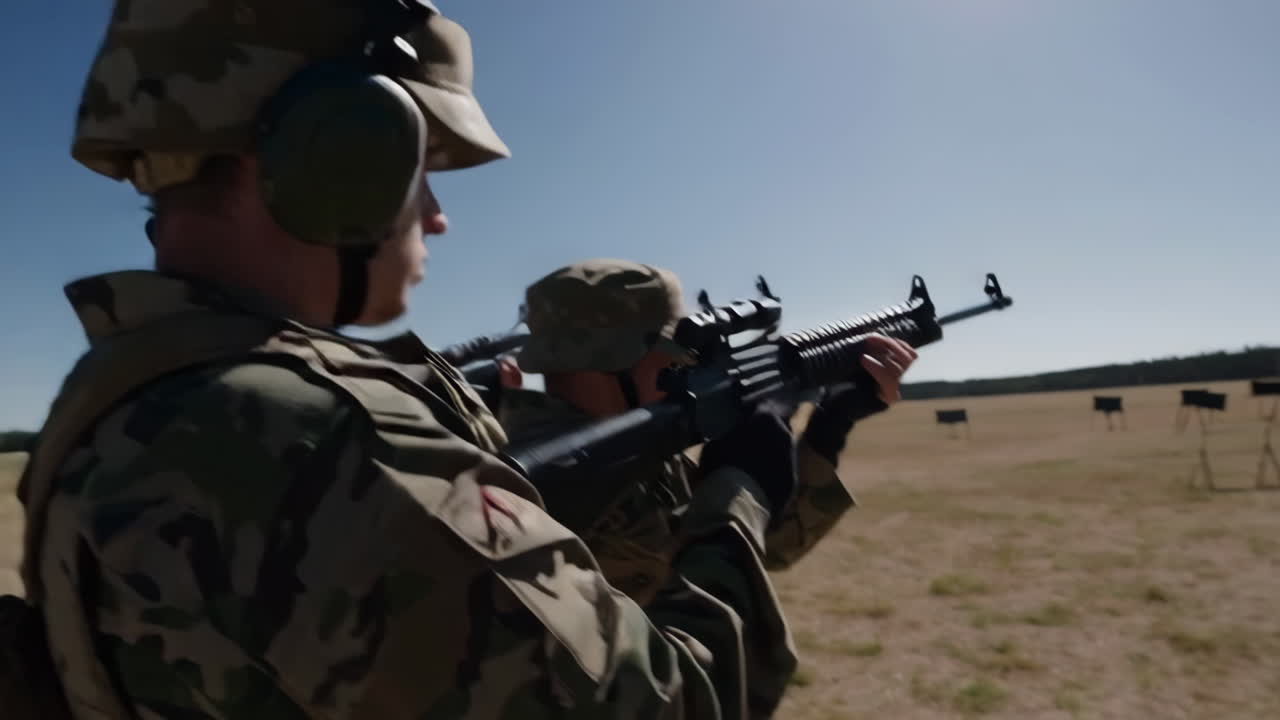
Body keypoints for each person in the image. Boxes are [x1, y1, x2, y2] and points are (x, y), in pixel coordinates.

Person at [9, 1, 854, 718]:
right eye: (421, 167)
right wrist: (739, 486)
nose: (438, 217)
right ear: (344, 152)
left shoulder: (123, 395)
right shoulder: (320, 438)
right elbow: (675, 701)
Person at [500, 259, 917, 604]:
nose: (689, 367)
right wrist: (739, 481)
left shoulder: (637, 451)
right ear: (613, 359)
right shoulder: (532, 485)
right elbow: (707, 652)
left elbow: (765, 550)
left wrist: (831, 425)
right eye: (674, 356)